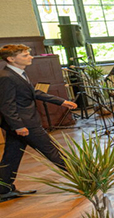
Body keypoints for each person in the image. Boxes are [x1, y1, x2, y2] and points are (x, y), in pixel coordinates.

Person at [0, 45, 78, 201]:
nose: (31, 57)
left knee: (11, 157)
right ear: (11, 59)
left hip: (22, 123)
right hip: (25, 124)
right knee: (53, 151)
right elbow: (6, 105)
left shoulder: (18, 73)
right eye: (25, 55)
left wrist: (61, 101)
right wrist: (18, 126)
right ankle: (86, 179)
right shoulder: (6, 77)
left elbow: (34, 92)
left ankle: (3, 189)